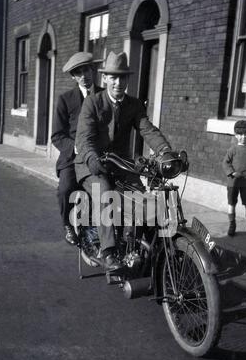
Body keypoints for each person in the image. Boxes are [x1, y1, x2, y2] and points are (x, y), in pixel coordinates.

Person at [74, 51, 176, 271]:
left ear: (128, 79)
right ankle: (109, 251)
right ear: (105, 79)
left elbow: (147, 129)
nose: (118, 82)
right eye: (113, 77)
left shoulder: (134, 104)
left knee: (141, 196)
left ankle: (138, 246)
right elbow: (84, 139)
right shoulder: (92, 103)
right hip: (91, 164)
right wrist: (92, 158)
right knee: (104, 193)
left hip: (120, 164)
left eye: (122, 78)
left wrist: (165, 151)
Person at [51, 52, 103, 245]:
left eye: (86, 70)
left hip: (98, 156)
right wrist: (75, 148)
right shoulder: (65, 99)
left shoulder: (104, 96)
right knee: (65, 189)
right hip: (72, 158)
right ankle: (68, 225)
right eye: (78, 73)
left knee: (110, 192)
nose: (84, 76)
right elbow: (57, 135)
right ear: (73, 77)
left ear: (93, 70)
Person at [222, 120, 246, 237]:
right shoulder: (232, 149)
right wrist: (232, 173)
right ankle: (232, 226)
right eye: (241, 134)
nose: (244, 137)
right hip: (233, 183)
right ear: (236, 135)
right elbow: (225, 163)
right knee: (231, 204)